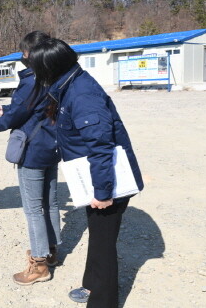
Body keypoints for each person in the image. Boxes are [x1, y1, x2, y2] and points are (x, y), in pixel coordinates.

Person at [23, 38, 144, 307]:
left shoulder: (82, 94)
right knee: (98, 237)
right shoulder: (68, 84)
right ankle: (91, 286)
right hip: (92, 177)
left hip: (107, 182)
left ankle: (103, 301)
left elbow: (101, 147)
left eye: (35, 66)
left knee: (103, 244)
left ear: (49, 66)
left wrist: (103, 192)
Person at [0, 31, 61, 285]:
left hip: (33, 150)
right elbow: (25, 110)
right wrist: (6, 109)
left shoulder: (31, 80)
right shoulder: (56, 76)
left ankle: (39, 264)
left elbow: (13, 119)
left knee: (34, 208)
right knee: (51, 203)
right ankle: (52, 251)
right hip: (52, 147)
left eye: (24, 53)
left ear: (30, 54)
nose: (23, 58)